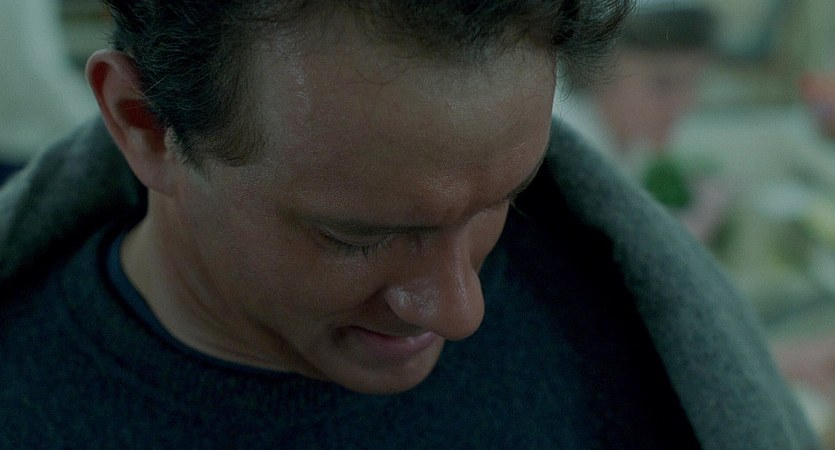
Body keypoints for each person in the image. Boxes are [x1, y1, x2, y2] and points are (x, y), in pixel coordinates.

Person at [0, 1, 816, 448]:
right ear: (144, 125)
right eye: (358, 236)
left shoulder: (629, 316)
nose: (458, 311)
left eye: (501, 202)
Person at [555, 0, 729, 242]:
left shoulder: (616, 144)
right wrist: (702, 217)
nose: (686, 103)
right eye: (663, 84)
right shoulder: (570, 157)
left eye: (692, 82)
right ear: (597, 71)